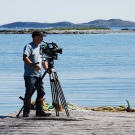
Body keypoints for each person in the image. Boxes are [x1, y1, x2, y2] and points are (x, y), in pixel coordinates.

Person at [23, 30, 51, 117]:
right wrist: (33, 65)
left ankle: (39, 111)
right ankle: (26, 111)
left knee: (42, 91)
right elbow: (25, 57)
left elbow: (43, 61)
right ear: (35, 37)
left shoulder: (40, 48)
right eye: (41, 37)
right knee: (29, 92)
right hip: (30, 74)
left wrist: (47, 69)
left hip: (39, 75)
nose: (42, 39)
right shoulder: (29, 46)